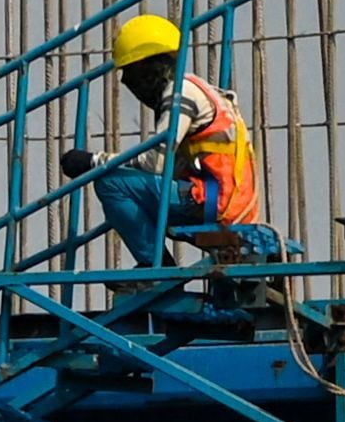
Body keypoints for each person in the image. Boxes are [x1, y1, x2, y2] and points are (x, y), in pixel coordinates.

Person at [66, 14, 279, 266]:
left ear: (148, 66)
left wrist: (94, 161)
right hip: (230, 202)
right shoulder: (200, 90)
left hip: (216, 203)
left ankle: (155, 265)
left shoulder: (180, 95)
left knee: (111, 183)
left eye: (130, 73)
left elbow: (157, 161)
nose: (127, 83)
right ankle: (155, 261)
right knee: (136, 186)